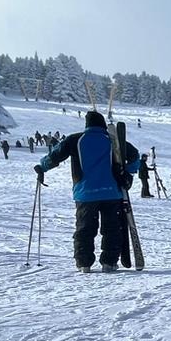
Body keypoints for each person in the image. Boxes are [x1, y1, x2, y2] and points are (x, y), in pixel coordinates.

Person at [35, 110, 139, 272]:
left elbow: (55, 155)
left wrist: (42, 167)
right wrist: (128, 172)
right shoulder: (112, 140)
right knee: (112, 228)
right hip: (112, 192)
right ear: (103, 125)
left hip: (85, 193)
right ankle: (109, 262)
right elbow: (134, 156)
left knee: (85, 228)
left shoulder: (75, 139)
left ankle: (84, 263)